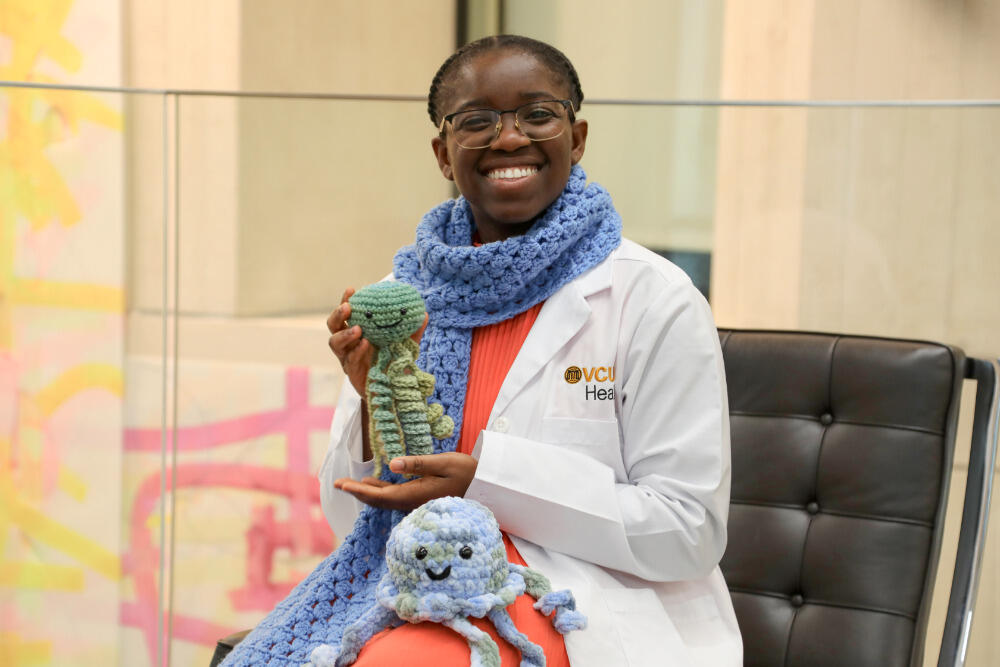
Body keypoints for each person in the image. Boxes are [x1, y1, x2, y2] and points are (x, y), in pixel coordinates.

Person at [222, 34, 741, 667]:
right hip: (418, 574)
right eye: (477, 122)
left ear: (576, 139)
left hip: (577, 595)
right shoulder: (399, 297)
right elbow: (345, 518)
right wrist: (371, 406)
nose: (510, 139)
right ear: (444, 154)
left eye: (537, 114)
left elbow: (688, 529)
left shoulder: (653, 297)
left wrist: (485, 484)